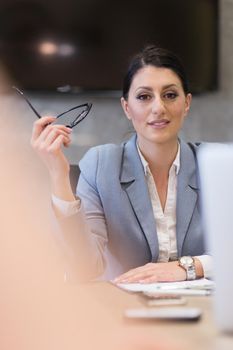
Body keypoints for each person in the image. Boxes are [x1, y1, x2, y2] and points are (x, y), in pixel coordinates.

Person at [31, 45, 212, 282]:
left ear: (186, 103)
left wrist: (187, 267)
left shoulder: (214, 163)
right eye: (144, 96)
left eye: (170, 95)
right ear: (127, 107)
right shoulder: (100, 165)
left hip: (204, 310)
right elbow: (85, 267)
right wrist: (58, 174)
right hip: (122, 310)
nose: (158, 107)